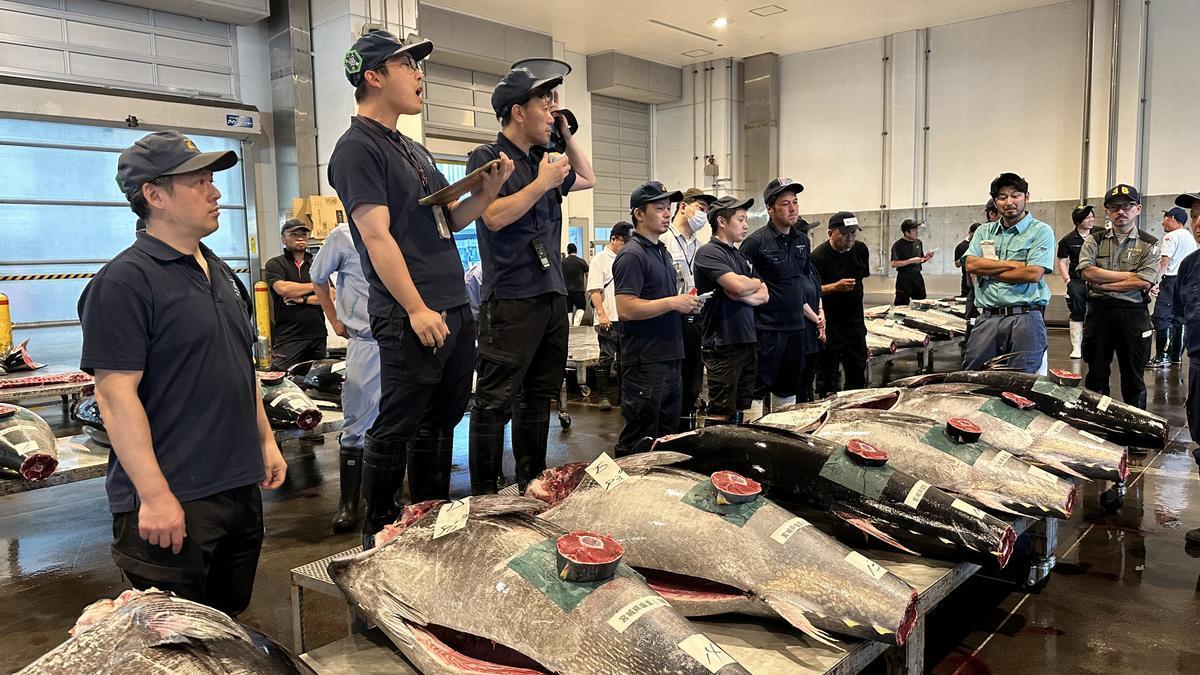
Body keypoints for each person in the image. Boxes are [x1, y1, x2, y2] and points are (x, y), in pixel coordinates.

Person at [78, 130, 288, 615]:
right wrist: (153, 496)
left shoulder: (221, 272)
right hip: (173, 499)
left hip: (237, 488)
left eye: (212, 181)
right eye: (198, 182)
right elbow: (114, 397)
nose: (215, 193)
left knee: (226, 626)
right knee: (172, 646)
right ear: (154, 194)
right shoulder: (124, 283)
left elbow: (242, 368)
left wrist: (264, 442)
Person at [327, 31, 513, 547]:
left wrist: (488, 190)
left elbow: (450, 221)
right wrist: (414, 307)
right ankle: (380, 532)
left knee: (443, 417)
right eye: (407, 64)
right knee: (398, 422)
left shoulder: (411, 146)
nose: (419, 73)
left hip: (452, 304)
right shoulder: (357, 148)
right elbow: (376, 235)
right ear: (373, 76)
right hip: (412, 310)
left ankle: (428, 524)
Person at [466, 64, 596, 494]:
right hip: (511, 298)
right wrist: (541, 184)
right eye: (545, 104)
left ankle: (531, 481)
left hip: (551, 295)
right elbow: (494, 216)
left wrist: (566, 133)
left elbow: (589, 178)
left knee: (539, 395)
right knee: (494, 399)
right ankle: (484, 491)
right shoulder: (488, 158)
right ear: (518, 111)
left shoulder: (545, 161)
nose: (551, 110)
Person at [613, 182, 703, 454]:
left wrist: (686, 305)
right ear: (639, 214)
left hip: (670, 357)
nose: (667, 214)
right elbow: (626, 308)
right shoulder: (632, 255)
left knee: (665, 439)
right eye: (659, 208)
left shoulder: (660, 251)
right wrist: (674, 302)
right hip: (645, 362)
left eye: (669, 209)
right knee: (639, 441)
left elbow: (660, 302)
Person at [311, 223, 380, 534]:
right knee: (357, 423)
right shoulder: (344, 234)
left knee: (400, 421)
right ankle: (348, 504)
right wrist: (334, 318)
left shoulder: (405, 222)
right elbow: (317, 276)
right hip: (366, 341)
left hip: (406, 339)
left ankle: (385, 497)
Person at [740, 177, 823, 410]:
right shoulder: (755, 244)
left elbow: (803, 284)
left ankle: (782, 435)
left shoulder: (802, 242)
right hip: (766, 329)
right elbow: (743, 287)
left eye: (795, 202)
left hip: (796, 328)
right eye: (785, 203)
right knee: (757, 387)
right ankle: (753, 437)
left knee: (788, 387)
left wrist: (816, 315)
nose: (793, 208)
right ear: (769, 208)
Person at [960, 172, 1055, 373]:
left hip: (1025, 318)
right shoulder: (984, 231)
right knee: (974, 380)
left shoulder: (1041, 231)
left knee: (1021, 385)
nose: (1009, 201)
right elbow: (970, 264)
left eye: (1015, 195)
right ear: (995, 202)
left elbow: (1033, 274)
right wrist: (1017, 265)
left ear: (1026, 197)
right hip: (987, 318)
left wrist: (989, 270)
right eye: (1002, 197)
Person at [1077, 184, 1160, 409]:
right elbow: (1087, 272)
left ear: (1138, 208)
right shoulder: (1094, 240)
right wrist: (1130, 276)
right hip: (1099, 314)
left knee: (1133, 377)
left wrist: (1103, 282)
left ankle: (1137, 431)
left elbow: (1144, 281)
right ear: (1107, 211)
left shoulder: (1149, 243)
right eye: (1114, 207)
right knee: (1096, 375)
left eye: (1127, 206)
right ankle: (1096, 428)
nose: (1120, 211)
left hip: (1132, 315)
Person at [694, 196, 768, 424]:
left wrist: (746, 290)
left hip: (746, 339)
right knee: (720, 409)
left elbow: (765, 293)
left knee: (740, 407)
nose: (746, 225)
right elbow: (737, 286)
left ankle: (733, 455)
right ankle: (715, 457)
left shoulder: (740, 256)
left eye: (746, 220)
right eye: (740, 219)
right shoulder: (709, 252)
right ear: (722, 222)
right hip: (723, 344)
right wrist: (744, 287)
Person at [664, 187, 717, 427]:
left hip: (695, 320)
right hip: (668, 319)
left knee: (692, 381)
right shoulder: (664, 239)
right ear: (683, 207)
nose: (703, 216)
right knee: (671, 383)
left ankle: (685, 429)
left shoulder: (700, 245)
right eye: (701, 209)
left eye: (706, 211)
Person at [811, 212, 871, 396]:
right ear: (830, 233)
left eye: (853, 233)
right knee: (828, 375)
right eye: (845, 234)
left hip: (854, 323)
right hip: (831, 325)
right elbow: (811, 292)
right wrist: (834, 287)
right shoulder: (818, 257)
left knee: (857, 371)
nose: (850, 239)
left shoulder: (860, 250)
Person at [265, 219, 328, 370]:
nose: (300, 237)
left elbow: (329, 295)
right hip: (289, 336)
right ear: (283, 238)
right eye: (294, 234)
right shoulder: (275, 264)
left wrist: (302, 299)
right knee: (280, 378)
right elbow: (284, 289)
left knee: (314, 384)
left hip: (317, 335)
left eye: (303, 233)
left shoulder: (316, 264)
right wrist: (316, 286)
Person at [586, 222, 632, 412]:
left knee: (624, 359)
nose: (627, 245)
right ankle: (603, 396)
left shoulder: (627, 258)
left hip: (624, 318)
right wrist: (602, 314)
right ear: (614, 239)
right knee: (605, 357)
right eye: (624, 242)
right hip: (607, 318)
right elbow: (594, 290)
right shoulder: (600, 259)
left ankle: (623, 395)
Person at [1147, 207, 1196, 368]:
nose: (1162, 222)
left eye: (1165, 218)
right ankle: (1176, 357)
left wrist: (1155, 282)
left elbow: (1165, 262)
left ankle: (1162, 356)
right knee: (1179, 318)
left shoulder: (1170, 236)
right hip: (1186, 281)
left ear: (1173, 218)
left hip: (1171, 281)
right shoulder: (1189, 236)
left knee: (1161, 317)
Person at [1057, 204, 1096, 359]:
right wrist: (1067, 280)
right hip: (1077, 280)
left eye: (1092, 216)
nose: (1091, 219)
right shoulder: (1067, 240)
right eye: (1087, 217)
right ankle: (1076, 347)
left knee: (1099, 311)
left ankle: (1095, 346)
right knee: (1077, 309)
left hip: (1097, 279)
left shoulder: (1100, 233)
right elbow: (1061, 261)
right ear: (1078, 221)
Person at [890, 219, 934, 305]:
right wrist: (911, 261)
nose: (917, 232)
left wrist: (926, 258)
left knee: (921, 302)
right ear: (906, 233)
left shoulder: (918, 242)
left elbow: (920, 259)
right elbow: (894, 264)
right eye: (914, 230)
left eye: (917, 230)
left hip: (917, 276)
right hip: (904, 278)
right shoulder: (898, 245)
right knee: (901, 304)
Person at [562, 242, 589, 324]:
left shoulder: (563, 262)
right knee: (581, 307)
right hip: (579, 290)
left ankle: (569, 325)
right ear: (576, 251)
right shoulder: (581, 261)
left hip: (566, 290)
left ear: (567, 250)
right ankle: (576, 323)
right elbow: (588, 275)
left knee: (568, 309)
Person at [954, 222, 981, 298]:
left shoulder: (981, 244)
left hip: (980, 279)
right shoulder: (961, 246)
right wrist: (968, 260)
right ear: (970, 232)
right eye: (975, 234)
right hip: (967, 279)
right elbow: (956, 264)